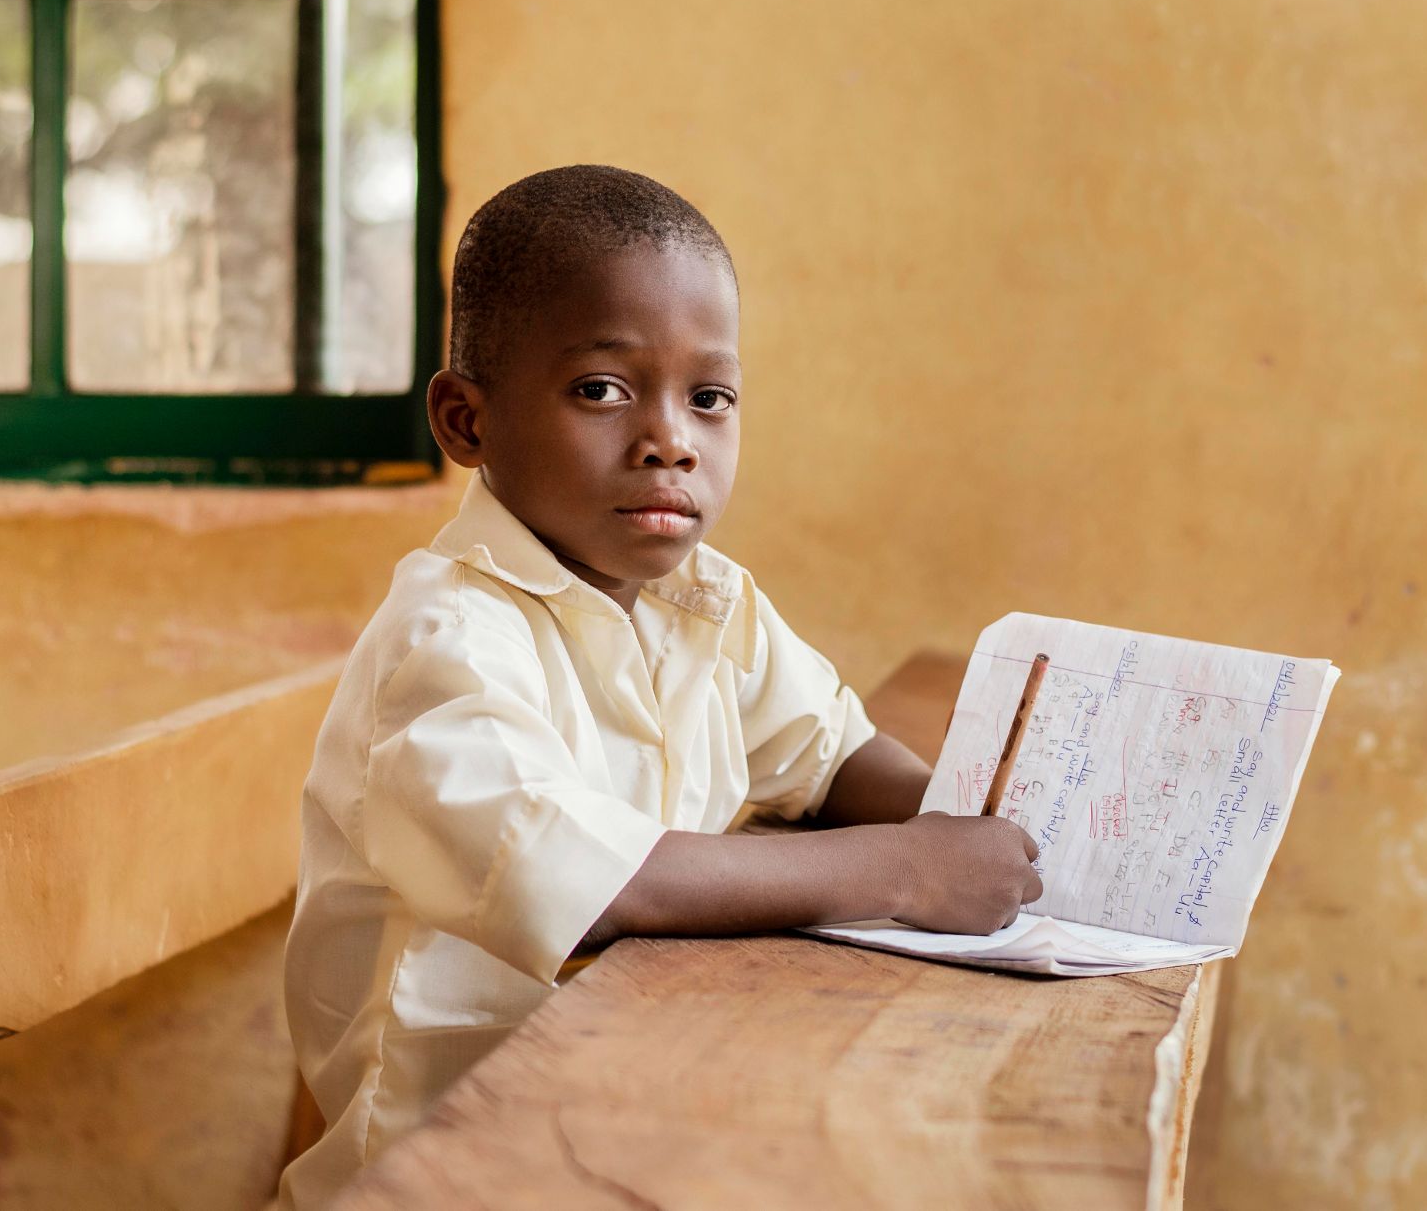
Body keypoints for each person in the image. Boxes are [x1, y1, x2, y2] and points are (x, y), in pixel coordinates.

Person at [279, 165, 1041, 1207]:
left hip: (640, 1111)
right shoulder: (447, 644)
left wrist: (966, 821)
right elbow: (606, 888)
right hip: (453, 1168)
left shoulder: (707, 604)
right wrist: (909, 870)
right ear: (466, 423)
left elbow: (832, 757)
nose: (670, 439)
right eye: (602, 389)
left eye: (710, 398)